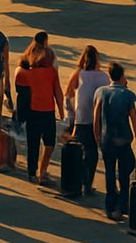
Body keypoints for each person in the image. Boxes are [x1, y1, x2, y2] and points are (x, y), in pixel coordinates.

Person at [92, 61, 136, 221]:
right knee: (126, 171)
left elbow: (96, 116)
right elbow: (134, 119)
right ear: (121, 76)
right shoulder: (127, 95)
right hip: (123, 140)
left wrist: (97, 136)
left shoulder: (101, 92)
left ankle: (110, 206)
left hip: (106, 139)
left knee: (110, 173)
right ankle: (122, 204)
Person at [65, 45, 108, 196]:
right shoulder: (103, 77)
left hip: (80, 119)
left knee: (80, 152)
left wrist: (71, 114)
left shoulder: (79, 74)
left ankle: (78, 182)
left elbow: (68, 93)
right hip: (96, 121)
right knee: (92, 154)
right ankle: (88, 185)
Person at [24, 43, 64, 185]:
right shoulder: (52, 72)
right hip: (48, 111)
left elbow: (23, 94)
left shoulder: (28, 72)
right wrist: (61, 110)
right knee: (49, 143)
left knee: (32, 144)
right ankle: (42, 171)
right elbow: (58, 92)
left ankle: (31, 172)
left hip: (32, 111)